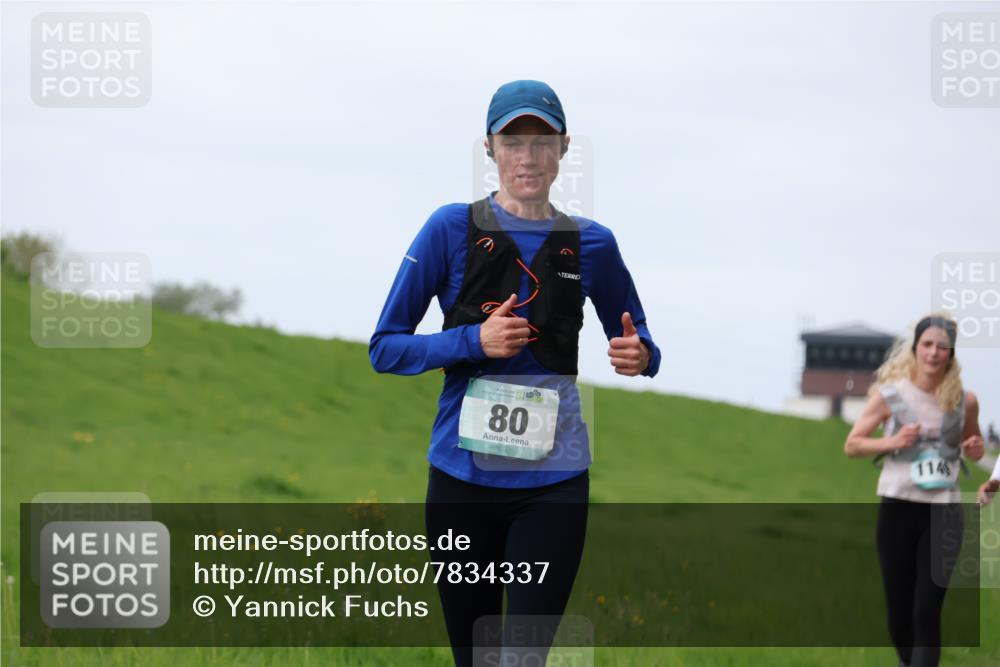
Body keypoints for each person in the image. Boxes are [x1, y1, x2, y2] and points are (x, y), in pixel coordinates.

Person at [369, 79, 661, 666]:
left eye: (541, 141)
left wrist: (642, 356)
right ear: (490, 149)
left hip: (553, 485)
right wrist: (472, 340)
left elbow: (640, 338)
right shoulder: (449, 229)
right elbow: (386, 347)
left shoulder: (593, 244)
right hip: (460, 481)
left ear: (563, 148)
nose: (527, 157)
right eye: (512, 142)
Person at [844, 313, 984, 667]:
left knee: (926, 612)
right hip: (897, 508)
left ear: (951, 353)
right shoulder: (890, 395)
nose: (934, 353)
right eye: (927, 345)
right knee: (900, 618)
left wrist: (975, 448)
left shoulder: (964, 401)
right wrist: (891, 441)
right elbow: (853, 445)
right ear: (915, 347)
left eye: (942, 347)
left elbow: (975, 441)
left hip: (944, 512)